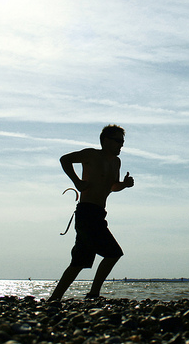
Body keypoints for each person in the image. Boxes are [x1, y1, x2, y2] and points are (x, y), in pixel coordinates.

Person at [48, 124, 134, 301]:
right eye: (118, 141)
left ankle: (54, 299)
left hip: (99, 213)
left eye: (122, 142)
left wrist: (124, 185)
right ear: (105, 140)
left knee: (79, 262)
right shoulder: (91, 155)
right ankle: (93, 294)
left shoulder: (116, 162)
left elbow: (112, 186)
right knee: (113, 253)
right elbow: (64, 159)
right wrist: (77, 182)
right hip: (87, 212)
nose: (121, 145)